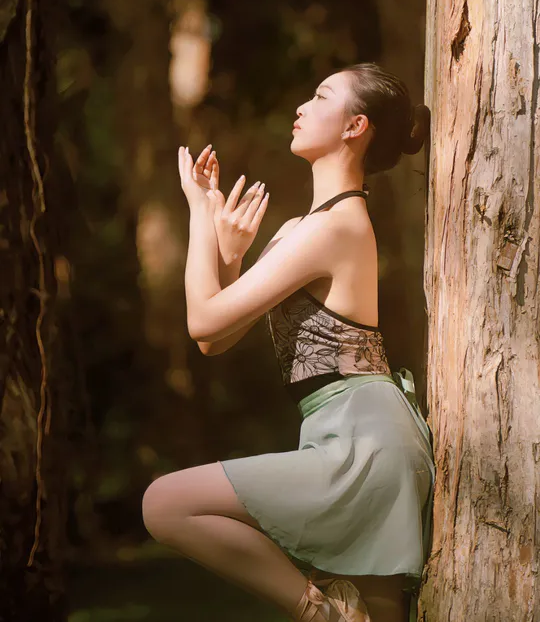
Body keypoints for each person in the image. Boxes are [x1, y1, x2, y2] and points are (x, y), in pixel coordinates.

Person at [142, 62, 435, 622]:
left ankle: (319, 612)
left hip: (364, 437)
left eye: (321, 96)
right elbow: (215, 339)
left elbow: (201, 321)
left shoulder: (338, 225)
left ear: (355, 127)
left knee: (165, 503)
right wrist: (226, 257)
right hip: (345, 431)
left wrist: (200, 213)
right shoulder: (300, 229)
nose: (301, 107)